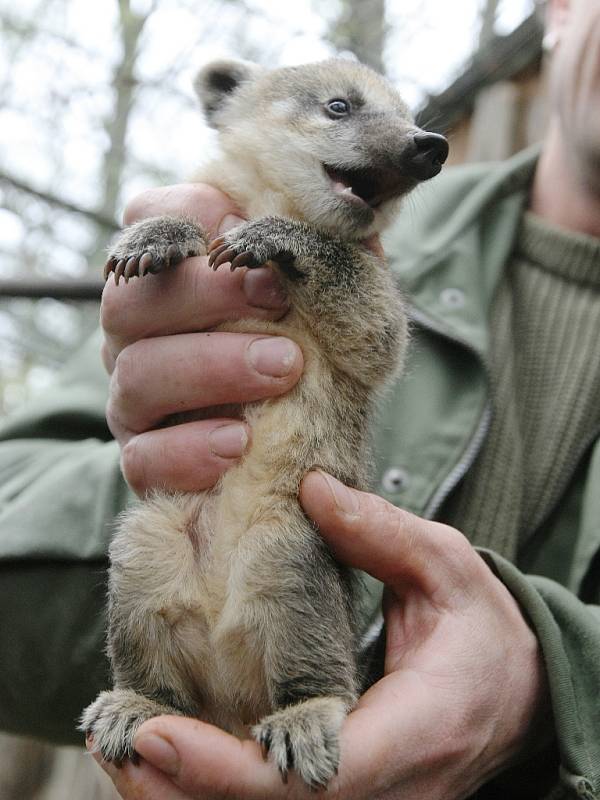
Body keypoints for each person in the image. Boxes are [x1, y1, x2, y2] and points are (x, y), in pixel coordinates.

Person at [0, 0, 598, 797]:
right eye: (341, 111)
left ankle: (315, 695)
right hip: (193, 577)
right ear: (559, 12)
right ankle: (152, 689)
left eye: (400, 126)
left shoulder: (362, 258)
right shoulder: (200, 230)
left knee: (290, 549)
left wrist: (559, 688)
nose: (401, 146)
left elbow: (375, 344)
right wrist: (146, 451)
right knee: (149, 544)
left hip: (288, 552)